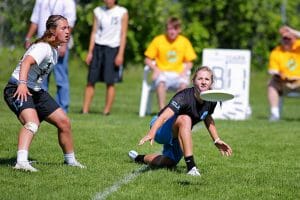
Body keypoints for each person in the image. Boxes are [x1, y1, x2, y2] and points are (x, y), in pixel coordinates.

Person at [3, 15, 85, 172]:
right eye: (63, 28)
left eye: (68, 28)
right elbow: (27, 61)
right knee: (32, 123)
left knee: (64, 122)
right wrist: (22, 84)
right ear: (53, 32)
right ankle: (21, 162)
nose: (68, 31)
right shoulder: (44, 48)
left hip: (35, 90)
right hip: (17, 88)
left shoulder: (54, 48)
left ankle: (71, 161)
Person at [129, 66, 232, 176]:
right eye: (200, 79)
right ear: (193, 81)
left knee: (168, 162)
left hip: (179, 132)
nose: (203, 82)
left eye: (207, 79)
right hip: (160, 127)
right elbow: (164, 116)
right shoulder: (183, 97)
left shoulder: (212, 99)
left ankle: (137, 157)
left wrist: (216, 140)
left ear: (211, 82)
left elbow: (207, 117)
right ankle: (191, 167)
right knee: (185, 118)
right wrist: (151, 133)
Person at [24, 0, 77, 113]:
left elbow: (69, 24)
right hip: (43, 43)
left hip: (58, 44)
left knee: (61, 79)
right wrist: (28, 37)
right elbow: (35, 20)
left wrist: (64, 44)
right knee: (40, 79)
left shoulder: (68, 2)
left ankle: (63, 109)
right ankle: (40, 107)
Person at [81, 0, 128, 115]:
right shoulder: (98, 11)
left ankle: (106, 111)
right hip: (98, 48)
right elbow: (94, 32)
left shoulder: (122, 12)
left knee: (110, 81)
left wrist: (120, 54)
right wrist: (90, 52)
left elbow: (123, 34)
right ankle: (85, 111)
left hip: (113, 49)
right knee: (91, 80)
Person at [144, 17, 197, 110]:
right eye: (169, 29)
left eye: (175, 29)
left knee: (183, 85)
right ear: (166, 29)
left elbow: (190, 62)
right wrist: (155, 69)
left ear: (179, 30)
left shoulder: (184, 41)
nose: (172, 32)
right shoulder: (158, 40)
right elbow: (147, 59)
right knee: (161, 82)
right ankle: (162, 110)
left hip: (178, 73)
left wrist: (184, 71)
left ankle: (177, 110)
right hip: (162, 73)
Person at [267, 26, 300, 121]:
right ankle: (274, 114)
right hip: (284, 82)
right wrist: (277, 74)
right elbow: (272, 70)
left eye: (288, 38)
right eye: (284, 38)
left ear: (294, 38)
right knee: (272, 82)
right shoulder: (276, 51)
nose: (286, 41)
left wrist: (292, 31)